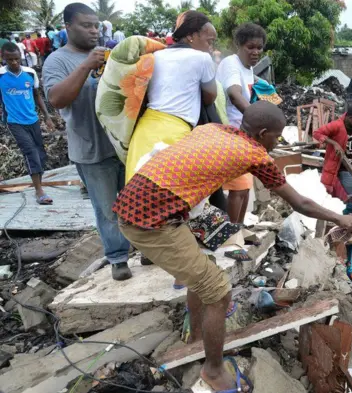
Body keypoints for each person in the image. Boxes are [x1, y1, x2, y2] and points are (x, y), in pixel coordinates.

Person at [113, 101, 352, 392]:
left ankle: (196, 337)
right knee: (218, 292)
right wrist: (341, 217)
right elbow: (300, 202)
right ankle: (213, 370)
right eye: (276, 137)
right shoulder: (254, 154)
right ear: (264, 133)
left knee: (206, 268)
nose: (277, 142)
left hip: (144, 201)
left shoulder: (214, 129)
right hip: (150, 219)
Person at [43, 3, 132, 281]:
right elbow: (57, 99)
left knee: (136, 201)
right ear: (68, 27)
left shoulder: (111, 54)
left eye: (96, 25)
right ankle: (118, 258)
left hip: (124, 145)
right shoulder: (57, 61)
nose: (94, 30)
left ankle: (146, 248)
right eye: (86, 25)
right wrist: (86, 66)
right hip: (92, 150)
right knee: (107, 209)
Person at [125, 10, 217, 182]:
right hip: (173, 133)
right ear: (191, 36)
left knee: (139, 196)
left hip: (145, 132)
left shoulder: (157, 55)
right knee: (171, 198)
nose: (210, 47)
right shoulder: (203, 58)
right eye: (209, 41)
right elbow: (211, 96)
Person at [215, 22, 266, 224]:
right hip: (230, 134)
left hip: (242, 135)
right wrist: (258, 120)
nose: (255, 52)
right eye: (250, 47)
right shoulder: (231, 64)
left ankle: (239, 229)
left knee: (245, 187)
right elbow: (234, 95)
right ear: (239, 45)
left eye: (259, 47)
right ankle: (231, 237)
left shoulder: (248, 69)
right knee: (238, 188)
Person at [0, 43, 56, 204]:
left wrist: (47, 116)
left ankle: (39, 181)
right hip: (13, 121)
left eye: (17, 59)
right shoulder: (1, 76)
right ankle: (39, 191)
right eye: (10, 59)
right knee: (30, 152)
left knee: (40, 153)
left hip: (33, 120)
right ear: (3, 58)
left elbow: (37, 95)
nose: (14, 63)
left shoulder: (30, 74)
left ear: (21, 57)